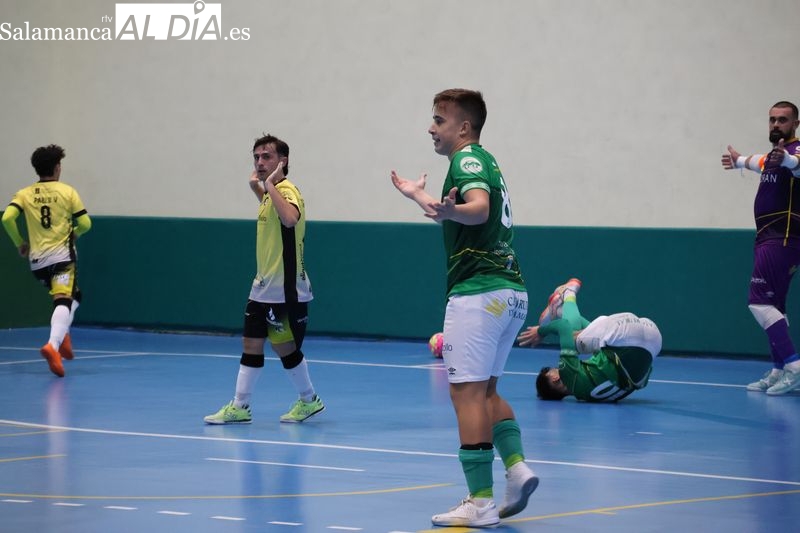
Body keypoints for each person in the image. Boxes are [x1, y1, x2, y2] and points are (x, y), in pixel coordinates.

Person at [391, 89, 538, 528]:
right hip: (510, 292)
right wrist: (418, 196)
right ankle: (517, 468)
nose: (431, 128)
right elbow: (454, 212)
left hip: (478, 293)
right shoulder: (487, 161)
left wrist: (457, 209)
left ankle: (480, 501)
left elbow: (476, 210)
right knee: (487, 392)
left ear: (464, 127)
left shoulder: (467, 159)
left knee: (466, 394)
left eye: (439, 120)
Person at [204, 134, 324, 425]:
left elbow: (290, 219)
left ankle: (309, 400)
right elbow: (273, 214)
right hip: (262, 287)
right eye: (256, 157)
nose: (259, 162)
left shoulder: (287, 190)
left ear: (282, 161)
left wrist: (268, 185)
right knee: (251, 344)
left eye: (266, 156)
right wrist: (258, 189)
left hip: (284, 289)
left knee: (285, 348)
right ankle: (240, 406)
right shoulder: (272, 193)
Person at [721, 101, 800, 395]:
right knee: (774, 306)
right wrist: (740, 160)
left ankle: (794, 367)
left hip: (782, 238)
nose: (776, 124)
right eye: (772, 120)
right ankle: (779, 370)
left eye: (783, 120)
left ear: (795, 124)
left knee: (759, 303)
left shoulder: (793, 152)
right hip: (770, 238)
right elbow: (760, 162)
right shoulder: (773, 156)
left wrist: (787, 160)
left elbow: (796, 164)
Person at [2, 144, 91, 378]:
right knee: (63, 300)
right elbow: (85, 224)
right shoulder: (67, 192)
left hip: (37, 262)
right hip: (62, 257)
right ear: (57, 167)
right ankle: (53, 345)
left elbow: (7, 218)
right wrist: (75, 234)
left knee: (75, 296)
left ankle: (63, 335)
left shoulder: (24, 193)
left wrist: (19, 242)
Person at [518, 280, 662, 402]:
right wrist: (541, 332)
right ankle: (568, 294)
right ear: (555, 378)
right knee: (574, 338)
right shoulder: (568, 375)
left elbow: (592, 333)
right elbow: (564, 326)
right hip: (626, 333)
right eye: (551, 370)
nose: (555, 367)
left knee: (590, 341)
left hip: (654, 342)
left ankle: (560, 311)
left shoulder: (585, 394)